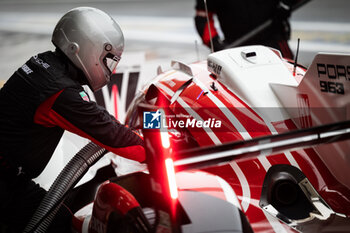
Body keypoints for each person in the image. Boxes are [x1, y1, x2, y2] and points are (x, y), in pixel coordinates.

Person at [0, 7, 145, 233]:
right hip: (5, 181)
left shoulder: (44, 63)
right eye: (108, 60)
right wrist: (162, 146)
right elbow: (112, 134)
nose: (109, 69)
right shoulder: (59, 91)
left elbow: (104, 123)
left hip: (11, 177)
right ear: (84, 48)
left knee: (59, 222)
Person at [194, 0, 299, 59]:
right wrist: (215, 43)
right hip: (236, 48)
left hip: (274, 41)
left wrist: (287, 3)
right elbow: (203, 17)